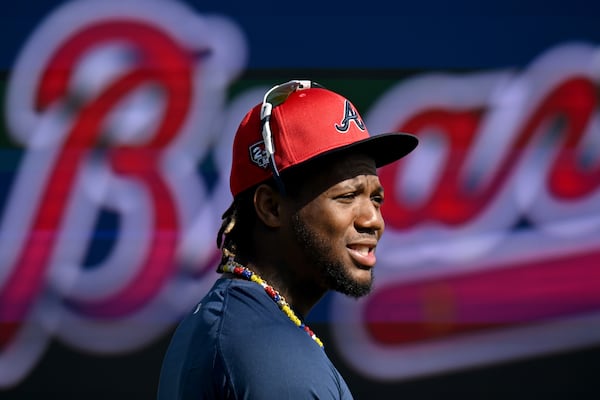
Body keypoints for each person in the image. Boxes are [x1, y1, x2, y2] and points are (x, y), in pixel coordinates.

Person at [157, 80, 418, 399]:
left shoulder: (239, 320)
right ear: (271, 207)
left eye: (376, 199)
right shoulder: (267, 350)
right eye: (348, 196)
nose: (372, 220)